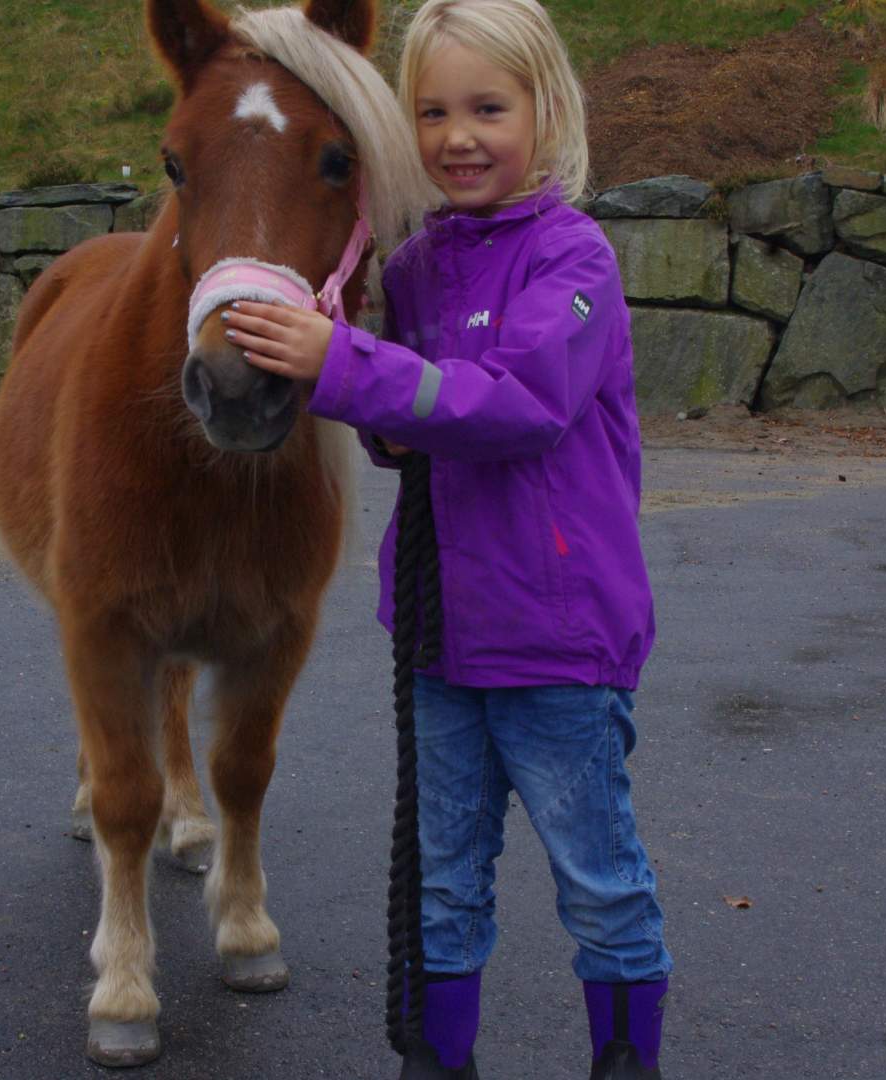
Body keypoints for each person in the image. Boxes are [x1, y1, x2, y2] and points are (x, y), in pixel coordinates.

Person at [223, 2, 671, 1077]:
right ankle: (439, 1061)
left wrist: (339, 365)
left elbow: (515, 404)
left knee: (599, 881)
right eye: (431, 111)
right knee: (442, 880)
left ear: (545, 110)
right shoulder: (417, 273)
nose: (457, 135)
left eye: (487, 107)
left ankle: (626, 1064)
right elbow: (409, 435)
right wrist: (349, 382)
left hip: (558, 644)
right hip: (440, 636)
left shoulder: (576, 260)